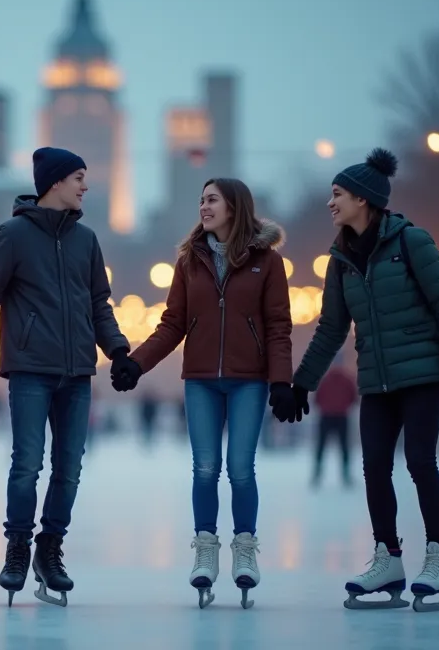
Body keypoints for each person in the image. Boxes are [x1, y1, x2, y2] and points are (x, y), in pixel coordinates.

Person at [288, 148, 439, 613]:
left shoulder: (412, 241)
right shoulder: (339, 259)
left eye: (337, 195)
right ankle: (388, 556)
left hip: (423, 375)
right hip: (376, 381)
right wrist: (301, 383)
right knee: (374, 467)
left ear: (363, 199)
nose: (330, 204)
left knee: (419, 461)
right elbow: (332, 328)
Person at [0, 147, 129, 607]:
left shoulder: (86, 240)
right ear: (53, 183)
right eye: (78, 178)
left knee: (68, 469)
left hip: (77, 375)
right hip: (31, 369)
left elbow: (99, 305)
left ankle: (50, 550)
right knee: (27, 464)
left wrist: (118, 350)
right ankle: (17, 548)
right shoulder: (12, 235)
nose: (85, 187)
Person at [114, 177, 294, 610]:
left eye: (212, 199)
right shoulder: (189, 261)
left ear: (235, 207)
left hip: (249, 378)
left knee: (240, 467)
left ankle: (245, 547)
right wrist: (136, 363)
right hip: (200, 381)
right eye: (200, 199)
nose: (203, 206)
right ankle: (206, 549)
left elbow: (278, 326)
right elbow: (173, 324)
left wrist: (282, 380)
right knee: (205, 467)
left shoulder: (265, 262)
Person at [313, 355, 357, 489]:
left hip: (327, 416)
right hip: (341, 416)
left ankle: (317, 474)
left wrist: (325, 407)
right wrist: (344, 406)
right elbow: (354, 398)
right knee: (344, 447)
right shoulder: (347, 379)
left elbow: (316, 398)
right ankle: (345, 475)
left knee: (321, 447)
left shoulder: (324, 379)